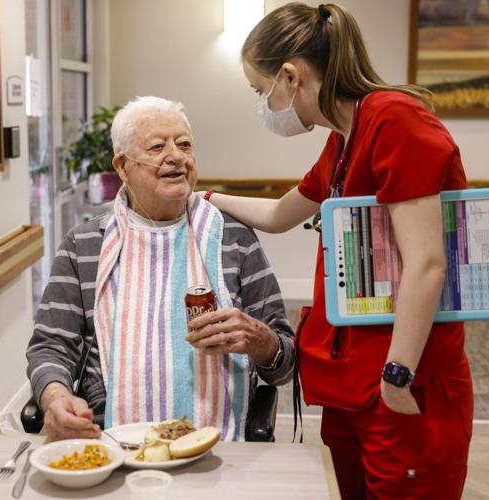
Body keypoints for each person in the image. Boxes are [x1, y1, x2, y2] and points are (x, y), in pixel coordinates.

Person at [203, 3, 473, 498]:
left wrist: (397, 376)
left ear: (290, 75)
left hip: (401, 381)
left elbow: (428, 265)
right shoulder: (345, 138)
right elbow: (282, 214)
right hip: (352, 386)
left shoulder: (396, 121)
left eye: (262, 92)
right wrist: (206, 198)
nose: (265, 105)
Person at [26, 96, 294, 443]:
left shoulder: (234, 239)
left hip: (217, 446)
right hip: (110, 440)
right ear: (123, 167)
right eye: (157, 147)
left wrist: (262, 342)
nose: (177, 156)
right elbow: (50, 347)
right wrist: (56, 397)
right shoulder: (84, 246)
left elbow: (284, 365)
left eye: (184, 145)